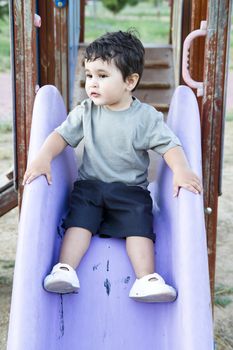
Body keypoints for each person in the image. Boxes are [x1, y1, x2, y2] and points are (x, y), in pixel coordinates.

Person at [23, 30, 202, 303]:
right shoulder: (86, 111)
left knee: (139, 226)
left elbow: (169, 145)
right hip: (90, 186)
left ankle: (145, 279)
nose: (92, 83)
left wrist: (180, 169)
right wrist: (44, 156)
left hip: (130, 191)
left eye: (103, 76)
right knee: (79, 221)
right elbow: (61, 135)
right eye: (89, 75)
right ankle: (65, 269)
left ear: (130, 81)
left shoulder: (145, 118)